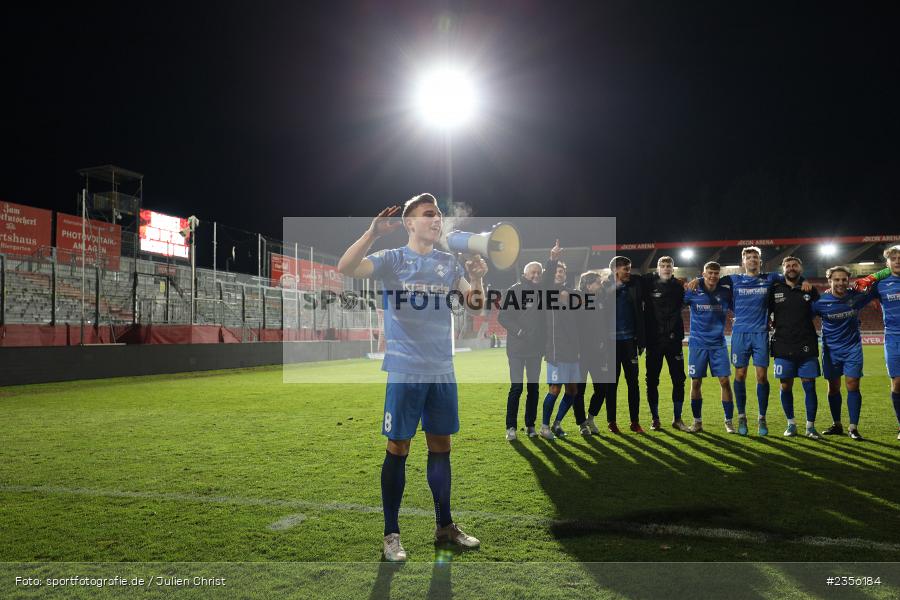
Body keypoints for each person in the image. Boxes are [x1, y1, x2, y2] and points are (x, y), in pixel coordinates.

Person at [336, 194, 483, 562]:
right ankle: (391, 535)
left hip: (441, 370)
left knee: (441, 446)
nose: (437, 220)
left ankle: (444, 526)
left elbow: (475, 303)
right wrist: (371, 233)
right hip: (404, 370)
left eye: (439, 216)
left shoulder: (449, 263)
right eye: (428, 215)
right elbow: (346, 267)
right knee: (399, 447)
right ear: (410, 223)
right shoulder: (392, 259)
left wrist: (478, 277)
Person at [686, 246, 812, 436]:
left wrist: (805, 281)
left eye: (755, 257)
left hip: (760, 333)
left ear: (760, 261)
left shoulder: (770, 278)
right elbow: (710, 280)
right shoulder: (733, 279)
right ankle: (742, 416)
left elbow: (791, 277)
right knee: (740, 375)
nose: (752, 260)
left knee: (762, 376)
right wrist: (696, 279)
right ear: (743, 261)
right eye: (749, 257)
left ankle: (762, 418)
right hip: (739, 334)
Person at [812, 266, 878, 440]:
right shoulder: (820, 302)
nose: (840, 283)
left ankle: (853, 427)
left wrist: (872, 278)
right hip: (830, 350)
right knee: (833, 388)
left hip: (852, 349)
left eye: (844, 279)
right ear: (830, 281)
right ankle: (837, 424)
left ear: (848, 280)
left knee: (853, 385)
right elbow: (803, 317)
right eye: (837, 279)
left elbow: (876, 287)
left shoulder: (856, 297)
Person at [767, 257, 821, 439]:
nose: (791, 268)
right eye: (787, 266)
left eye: (794, 265)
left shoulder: (810, 289)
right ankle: (791, 424)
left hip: (806, 344)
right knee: (785, 385)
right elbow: (764, 312)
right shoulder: (774, 289)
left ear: (800, 268)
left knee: (809, 385)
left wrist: (805, 281)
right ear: (782, 269)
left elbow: (820, 311)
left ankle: (810, 427)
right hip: (782, 344)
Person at [497, 258, 549, 441]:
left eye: (539, 273)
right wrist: (519, 331)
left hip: (536, 350)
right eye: (533, 272)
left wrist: (551, 261)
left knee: (533, 388)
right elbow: (502, 317)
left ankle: (530, 425)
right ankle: (511, 427)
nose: (536, 275)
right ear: (525, 274)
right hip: (517, 349)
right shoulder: (514, 290)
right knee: (517, 388)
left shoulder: (543, 291)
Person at [684, 261, 734, 433]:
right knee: (696, 382)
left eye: (716, 273)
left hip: (718, 344)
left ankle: (728, 421)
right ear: (703, 273)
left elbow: (738, 308)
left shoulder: (726, 293)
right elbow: (675, 306)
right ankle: (697, 422)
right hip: (697, 344)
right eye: (709, 273)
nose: (713, 276)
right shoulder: (692, 291)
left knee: (725, 382)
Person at [857, 244, 900, 440]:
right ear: (887, 262)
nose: (898, 261)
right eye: (894, 258)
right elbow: (857, 296)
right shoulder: (881, 284)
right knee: (897, 382)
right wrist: (872, 278)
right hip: (893, 337)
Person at [642, 256, 688, 431]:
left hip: (674, 340)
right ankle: (655, 418)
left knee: (679, 380)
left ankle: (677, 418)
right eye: (663, 265)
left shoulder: (678, 286)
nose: (666, 268)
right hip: (654, 341)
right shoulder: (648, 283)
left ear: (673, 269)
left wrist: (696, 281)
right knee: (652, 381)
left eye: (669, 266)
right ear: (658, 268)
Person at [540, 241, 580, 440]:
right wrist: (553, 260)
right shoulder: (547, 292)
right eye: (556, 271)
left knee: (572, 390)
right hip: (556, 349)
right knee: (555, 389)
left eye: (562, 271)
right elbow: (546, 280)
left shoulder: (572, 293)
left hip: (574, 350)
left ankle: (557, 423)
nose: (559, 273)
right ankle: (544, 426)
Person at [609, 256, 647, 433]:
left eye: (629, 268)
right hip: (610, 344)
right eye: (625, 269)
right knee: (612, 384)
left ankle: (635, 422)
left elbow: (652, 278)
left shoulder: (635, 284)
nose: (629, 272)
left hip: (630, 342)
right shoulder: (603, 288)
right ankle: (612, 421)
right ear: (616, 270)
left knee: (633, 383)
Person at [575, 270, 614, 435]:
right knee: (579, 390)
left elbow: (603, 325)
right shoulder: (576, 301)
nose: (600, 285)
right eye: (597, 282)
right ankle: (582, 423)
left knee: (602, 388)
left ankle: (590, 418)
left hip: (598, 353)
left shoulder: (600, 300)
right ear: (587, 284)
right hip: (580, 354)